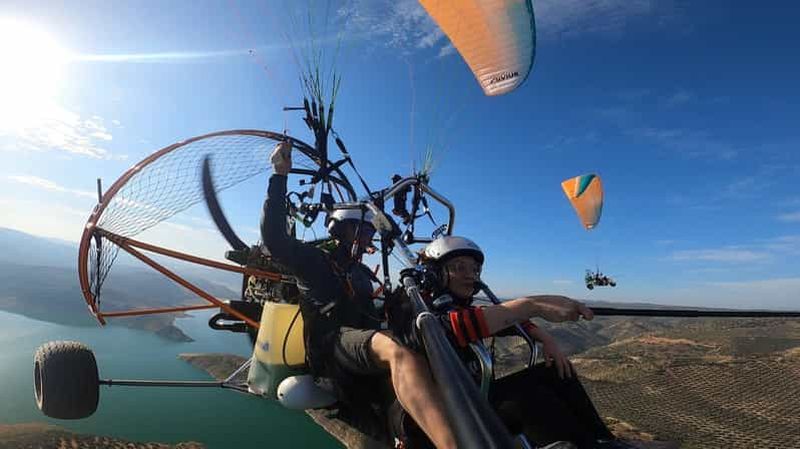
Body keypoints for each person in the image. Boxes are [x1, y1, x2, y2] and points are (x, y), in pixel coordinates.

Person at [263, 141, 598, 449]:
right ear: (342, 230)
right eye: (363, 231)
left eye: (369, 232)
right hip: (332, 342)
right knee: (396, 351)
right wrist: (279, 177)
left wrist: (538, 333)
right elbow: (275, 239)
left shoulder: (363, 273)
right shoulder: (314, 261)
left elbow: (473, 318)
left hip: (363, 340)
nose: (368, 239)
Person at [401, 235, 633, 449]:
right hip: (450, 416)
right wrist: (535, 305)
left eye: (475, 269)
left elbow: (502, 320)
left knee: (558, 372)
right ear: (435, 273)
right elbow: (458, 325)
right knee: (533, 398)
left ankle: (603, 439)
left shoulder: (457, 308)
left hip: (473, 399)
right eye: (459, 267)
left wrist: (546, 338)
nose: (471, 275)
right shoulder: (419, 312)